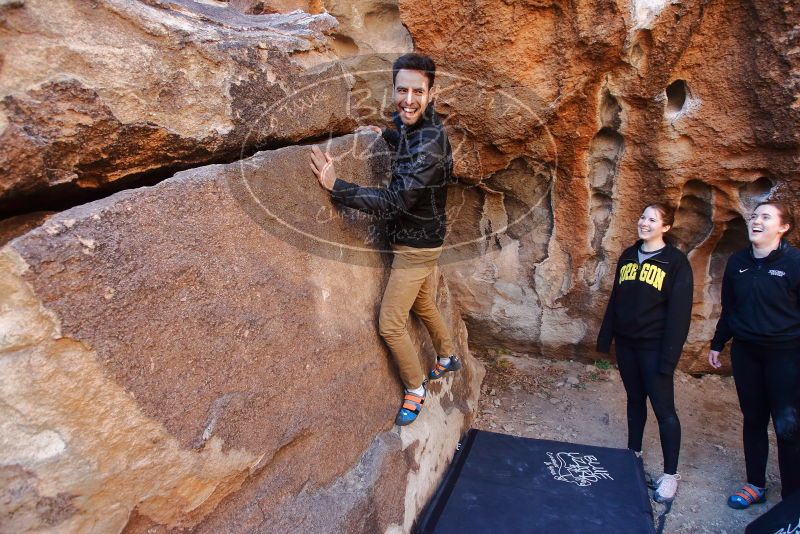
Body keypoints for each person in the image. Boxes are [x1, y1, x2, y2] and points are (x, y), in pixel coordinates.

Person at [310, 53, 460, 427]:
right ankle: (447, 355)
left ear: (432, 92)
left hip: (416, 246)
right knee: (423, 303)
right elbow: (408, 141)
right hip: (426, 237)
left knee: (391, 322)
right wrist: (389, 136)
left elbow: (395, 202)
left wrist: (336, 186)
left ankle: (415, 389)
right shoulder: (417, 127)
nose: (408, 99)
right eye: (402, 90)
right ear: (393, 89)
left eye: (417, 91)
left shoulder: (430, 142)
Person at [597, 203, 694, 503]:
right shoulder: (628, 255)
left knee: (664, 410)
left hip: (654, 348)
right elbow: (616, 297)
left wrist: (669, 358)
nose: (644, 223)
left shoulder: (675, 262)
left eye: (652, 219)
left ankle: (671, 474)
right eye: (642, 217)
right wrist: (606, 336)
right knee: (635, 400)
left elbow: (679, 315)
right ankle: (632, 455)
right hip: (627, 343)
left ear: (665, 227)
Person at [707, 201, 800, 509]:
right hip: (747, 352)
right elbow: (730, 308)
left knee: (787, 425)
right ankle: (755, 486)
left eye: (765, 216)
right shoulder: (738, 262)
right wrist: (718, 343)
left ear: (783, 227)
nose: (756, 220)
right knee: (754, 420)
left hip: (785, 355)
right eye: (754, 216)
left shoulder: (795, 263)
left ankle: (791, 503)